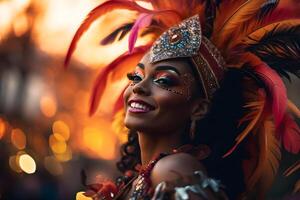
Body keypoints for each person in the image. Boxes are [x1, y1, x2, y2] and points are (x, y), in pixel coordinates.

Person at [66, 1, 300, 199]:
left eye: (164, 81)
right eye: (136, 76)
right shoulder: (147, 175)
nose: (139, 87)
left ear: (199, 108)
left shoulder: (175, 169)